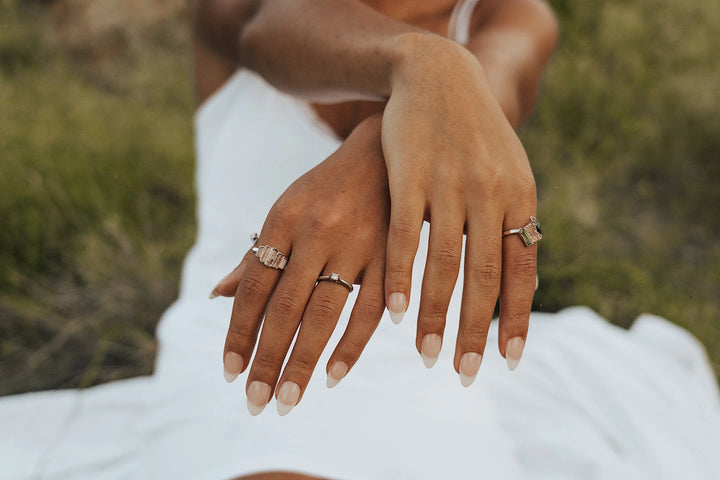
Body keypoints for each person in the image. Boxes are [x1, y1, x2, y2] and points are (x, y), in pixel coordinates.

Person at [1, 1, 719, 479]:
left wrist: (402, 123)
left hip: (425, 371)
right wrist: (420, 61)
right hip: (243, 353)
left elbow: (495, 84)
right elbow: (258, 25)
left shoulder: (506, 15)